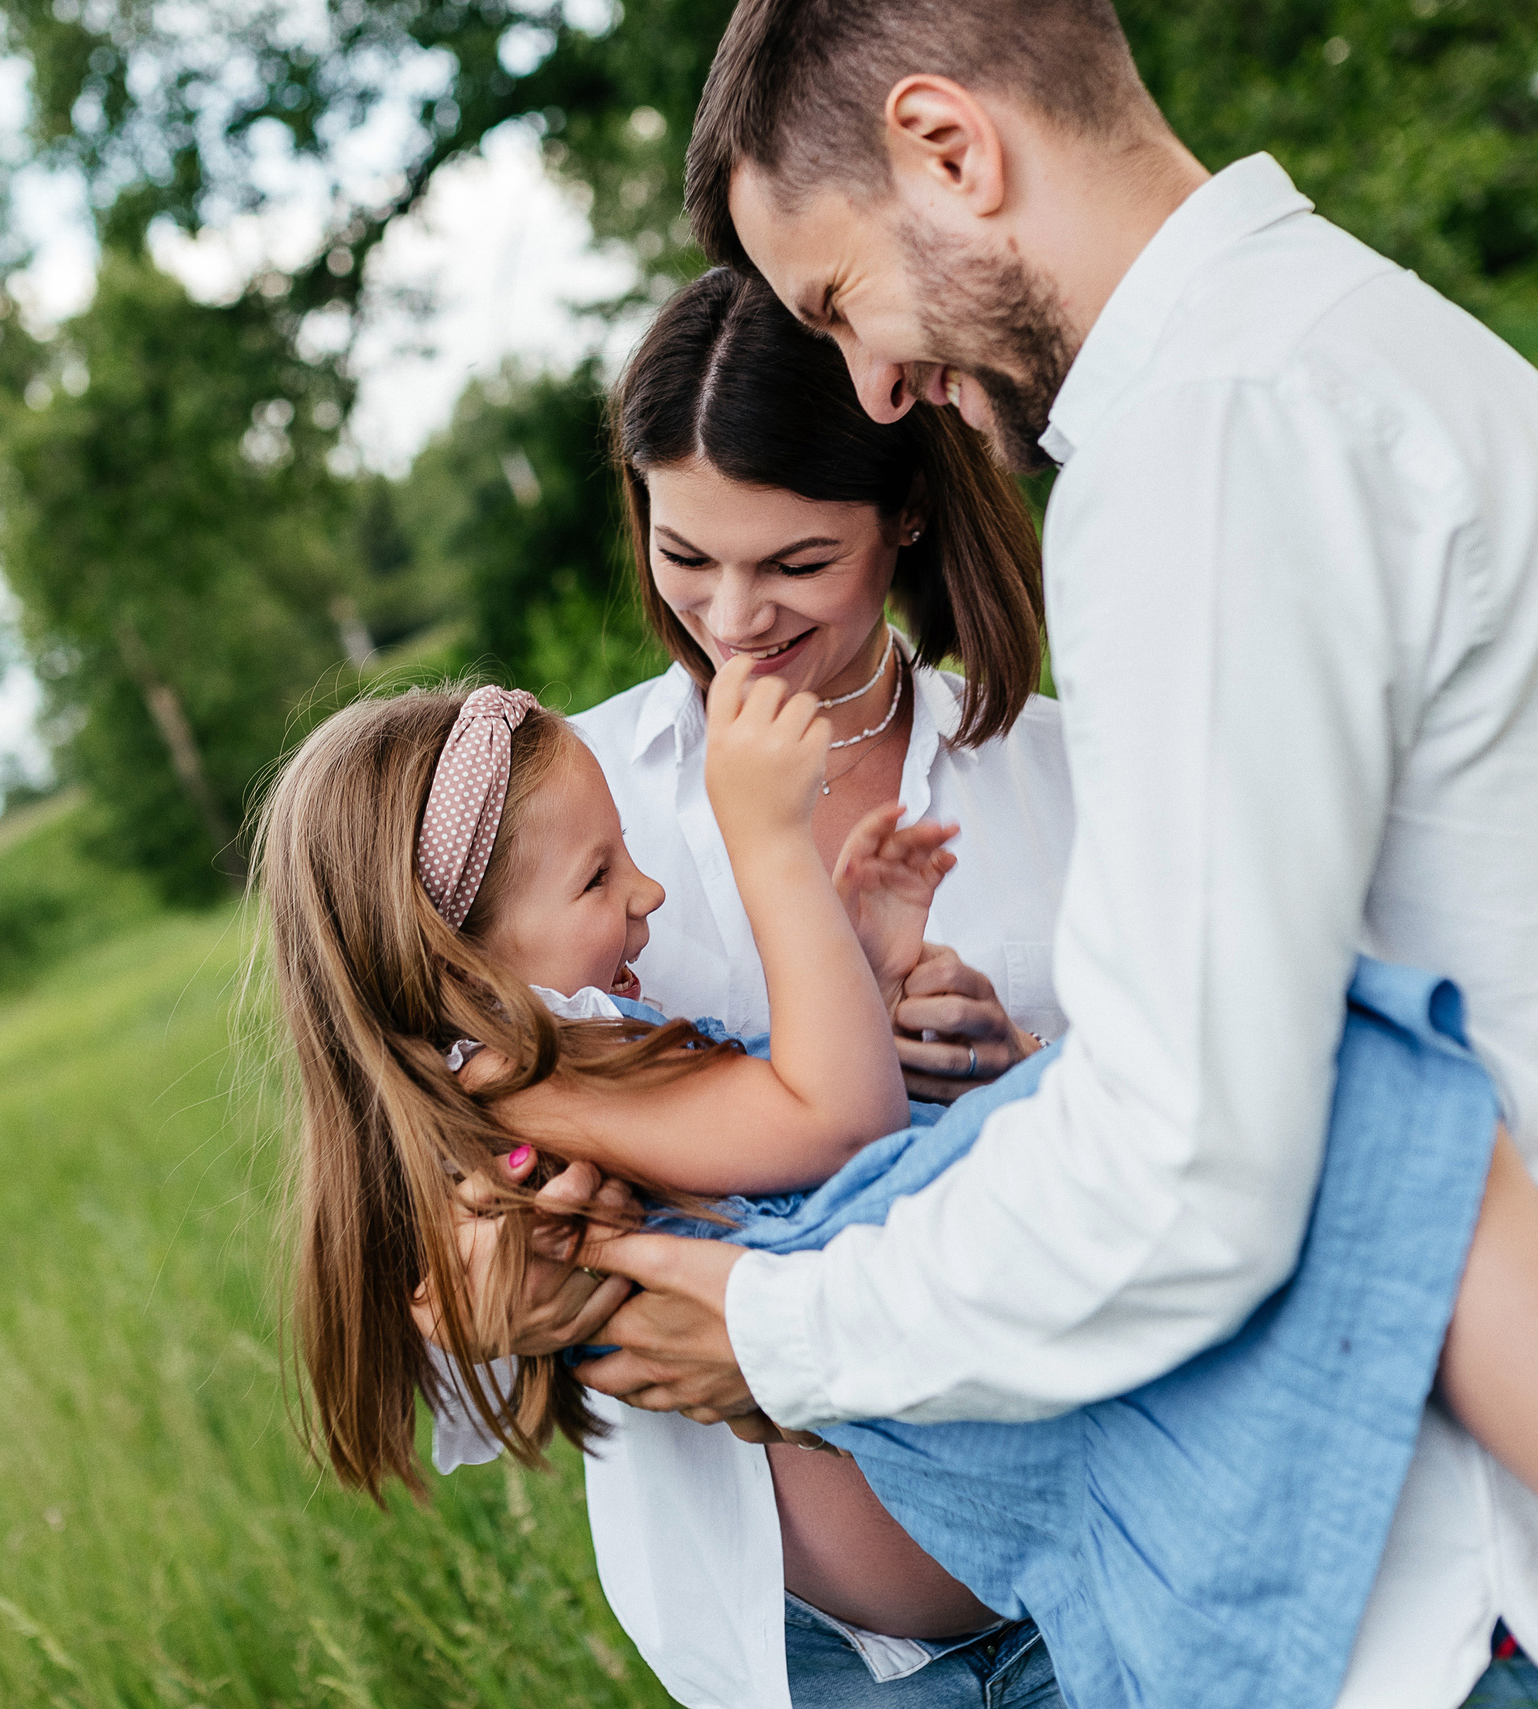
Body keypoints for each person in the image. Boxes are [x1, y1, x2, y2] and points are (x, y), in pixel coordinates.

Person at [569, 3, 1538, 1706]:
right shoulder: (1353, 338)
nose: (872, 384)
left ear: (953, 149)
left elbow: (1192, 1160)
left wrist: (775, 1328)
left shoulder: (1207, 440)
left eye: (841, 298)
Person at [252, 668, 1533, 1709]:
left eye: (631, 857)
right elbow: (836, 1123)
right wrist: (771, 848)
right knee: (1315, 1099)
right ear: (450, 963)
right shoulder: (538, 1086)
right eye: (598, 880)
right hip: (873, 1624)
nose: (645, 892)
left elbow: (784, 1140)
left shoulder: (565, 1064)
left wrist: (858, 965)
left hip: (986, 1553)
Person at [529, 264, 1078, 1706]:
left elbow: (1199, 1114)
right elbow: (458, 1140)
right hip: (805, 1646)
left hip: (1099, 1552)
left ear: (902, 513)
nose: (729, 618)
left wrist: (1018, 1066)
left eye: (792, 564)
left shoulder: (1059, 769)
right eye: (683, 554)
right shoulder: (578, 817)